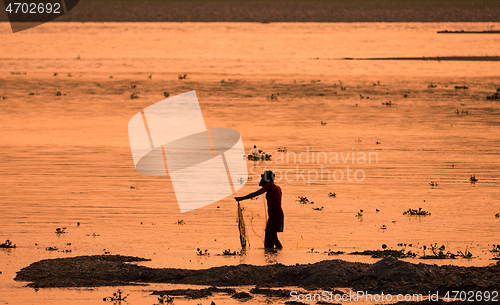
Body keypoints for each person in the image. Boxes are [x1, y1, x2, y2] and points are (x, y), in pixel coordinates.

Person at [235, 170, 284, 249]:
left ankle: (280, 250)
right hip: (273, 214)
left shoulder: (271, 186)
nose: (261, 178)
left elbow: (255, 194)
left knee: (272, 236)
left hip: (275, 214)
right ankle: (271, 256)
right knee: (268, 238)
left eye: (263, 176)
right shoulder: (276, 186)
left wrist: (241, 198)